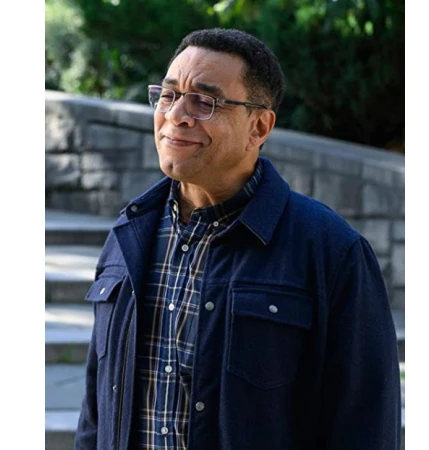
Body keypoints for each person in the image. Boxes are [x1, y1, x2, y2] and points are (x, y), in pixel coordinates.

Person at [75, 28, 401, 450]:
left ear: (259, 127)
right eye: (169, 95)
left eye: (204, 101)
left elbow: (366, 426)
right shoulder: (130, 234)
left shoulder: (332, 252)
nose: (176, 115)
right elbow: (96, 411)